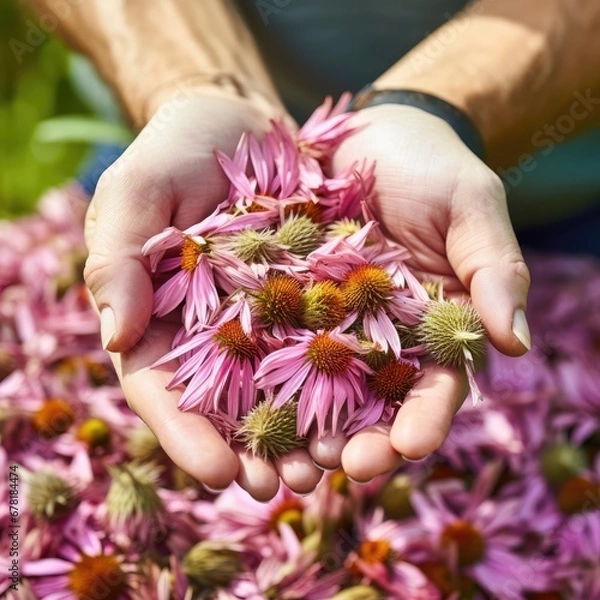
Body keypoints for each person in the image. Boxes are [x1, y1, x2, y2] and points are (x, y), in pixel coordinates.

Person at [25, 0, 600, 500]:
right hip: (173, 156)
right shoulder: (213, 250)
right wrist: (196, 87)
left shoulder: (355, 290)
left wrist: (437, 108)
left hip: (563, 183)